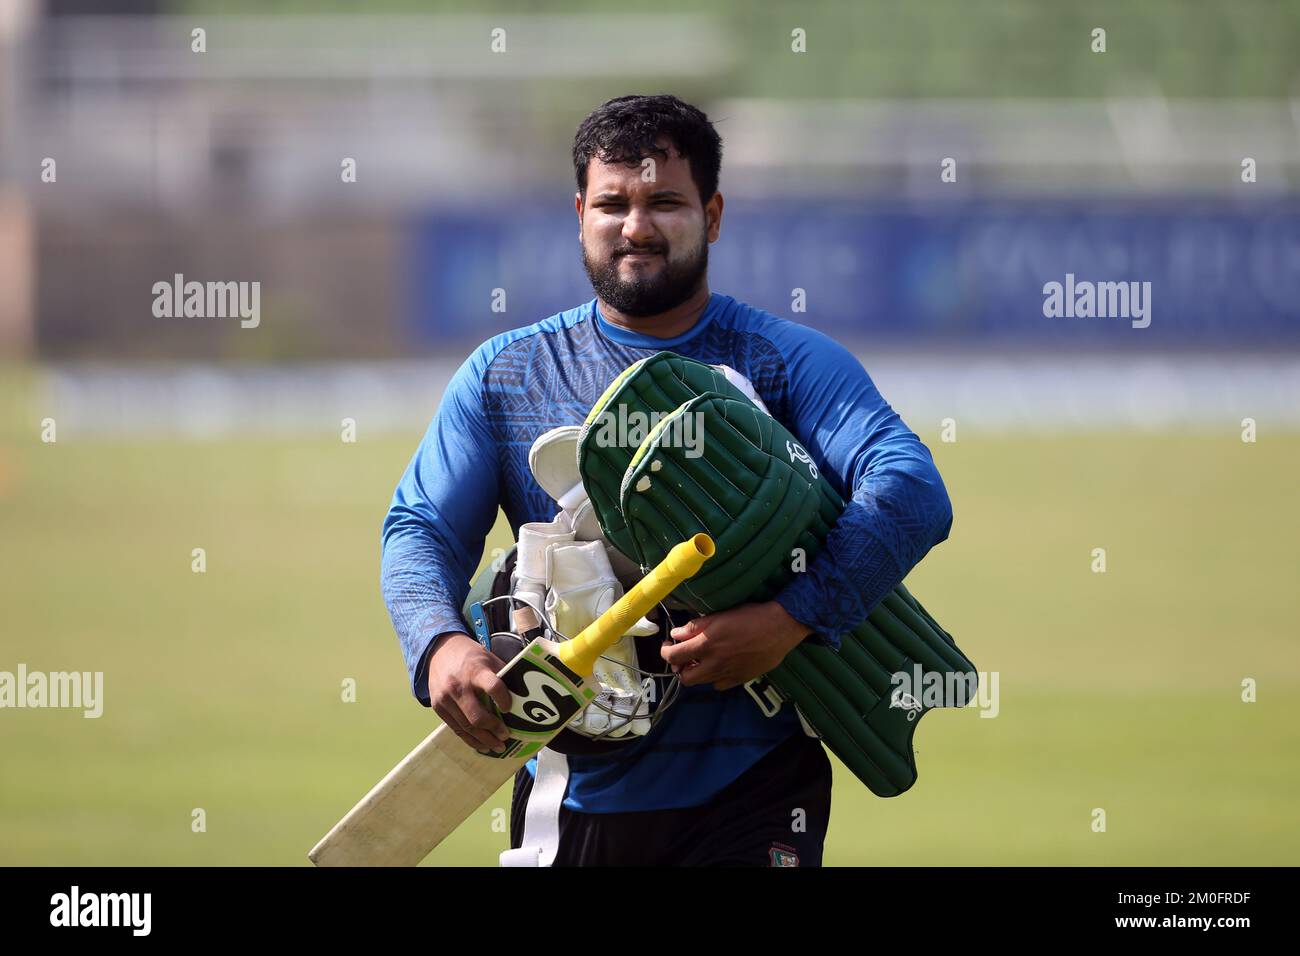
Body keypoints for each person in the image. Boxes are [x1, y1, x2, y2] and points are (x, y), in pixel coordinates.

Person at [380, 93, 953, 866]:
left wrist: (793, 618)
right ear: (579, 212)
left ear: (713, 215)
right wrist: (440, 644)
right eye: (613, 203)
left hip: (756, 784)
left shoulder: (782, 361)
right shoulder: (508, 375)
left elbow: (911, 487)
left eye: (665, 203)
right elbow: (421, 529)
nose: (637, 227)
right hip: (575, 784)